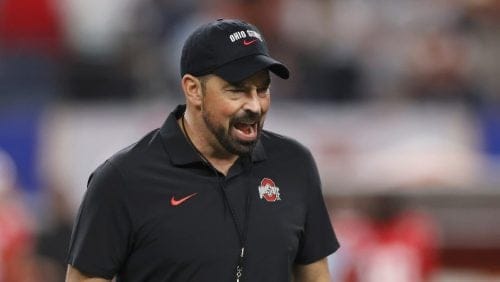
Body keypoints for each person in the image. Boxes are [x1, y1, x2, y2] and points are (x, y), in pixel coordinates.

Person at [65, 19, 339, 282]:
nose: (255, 105)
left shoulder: (294, 165)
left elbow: (315, 276)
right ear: (193, 90)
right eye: (237, 91)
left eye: (262, 90)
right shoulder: (123, 179)